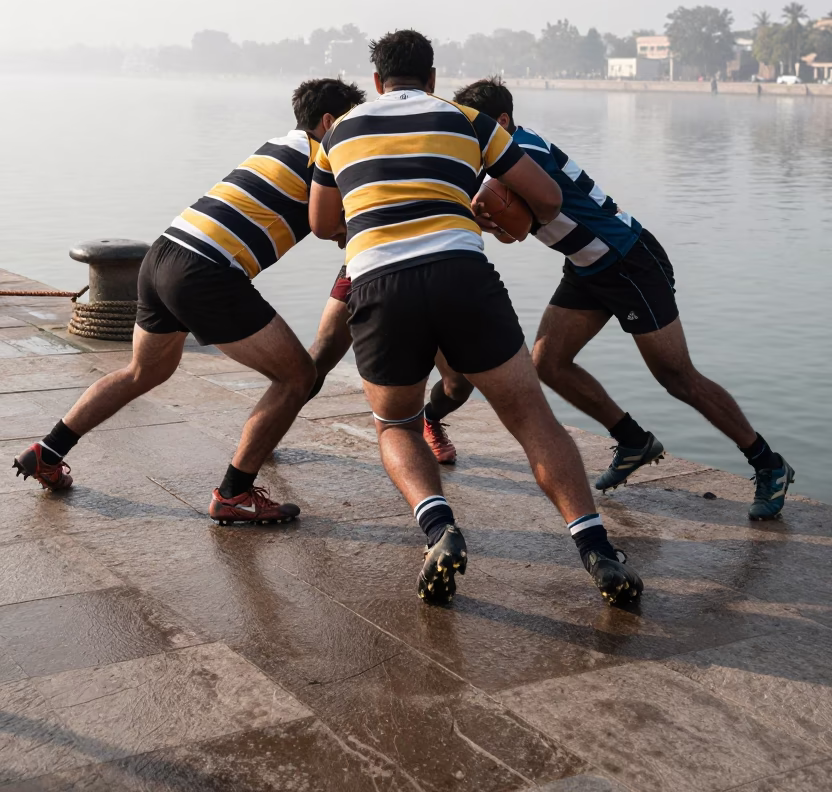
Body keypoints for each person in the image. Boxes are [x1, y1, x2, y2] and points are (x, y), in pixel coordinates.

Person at [309, 30, 644, 607]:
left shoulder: (338, 130)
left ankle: (441, 529)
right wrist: (497, 217)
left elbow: (320, 223)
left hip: (378, 283)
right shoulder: (468, 119)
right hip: (462, 274)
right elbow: (549, 200)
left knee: (397, 426)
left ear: (376, 82)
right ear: (433, 78)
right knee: (533, 419)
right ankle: (597, 549)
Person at [421, 77, 793, 522]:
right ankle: (633, 439)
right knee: (548, 362)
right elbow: (514, 232)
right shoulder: (502, 166)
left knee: (676, 376)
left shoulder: (524, 148)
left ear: (501, 121)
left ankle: (768, 463)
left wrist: (466, 206)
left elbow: (507, 210)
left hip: (628, 260)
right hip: (586, 266)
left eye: (476, 126)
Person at [13, 78, 365, 523]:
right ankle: (234, 493)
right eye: (355, 122)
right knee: (297, 376)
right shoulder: (323, 155)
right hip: (205, 270)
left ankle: (48, 450)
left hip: (162, 256)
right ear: (330, 122)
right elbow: (343, 217)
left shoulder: (279, 146)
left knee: (145, 370)